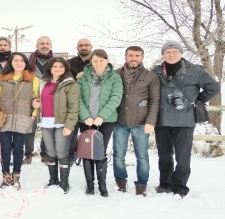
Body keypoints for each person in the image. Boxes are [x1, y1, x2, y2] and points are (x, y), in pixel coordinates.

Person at [152, 41, 220, 199]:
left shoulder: (195, 70)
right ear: (163, 54)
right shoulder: (156, 71)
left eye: (174, 51)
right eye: (167, 52)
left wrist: (197, 101)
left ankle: (180, 186)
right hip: (162, 120)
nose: (171, 54)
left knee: (182, 156)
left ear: (181, 53)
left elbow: (214, 88)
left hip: (184, 120)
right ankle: (165, 183)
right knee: (164, 155)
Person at [0, 52, 40, 188]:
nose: (19, 63)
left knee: (18, 149)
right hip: (4, 118)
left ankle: (16, 176)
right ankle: (6, 176)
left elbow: (38, 99)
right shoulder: (2, 78)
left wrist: (34, 113)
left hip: (23, 118)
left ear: (25, 63)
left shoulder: (33, 79)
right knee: (5, 148)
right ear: (11, 62)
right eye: (15, 60)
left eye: (21, 60)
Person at [113, 46, 160, 196]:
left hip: (141, 122)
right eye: (131, 55)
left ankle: (141, 184)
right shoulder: (116, 74)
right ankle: (120, 181)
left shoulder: (150, 76)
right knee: (118, 154)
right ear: (125, 57)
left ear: (142, 57)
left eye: (137, 56)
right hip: (119, 121)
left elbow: (155, 100)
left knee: (142, 156)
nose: (134, 58)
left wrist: (150, 121)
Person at [77, 49, 123, 197]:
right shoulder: (82, 78)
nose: (98, 63)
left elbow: (116, 97)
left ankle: (102, 184)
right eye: (95, 61)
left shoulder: (115, 78)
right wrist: (86, 117)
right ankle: (90, 185)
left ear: (106, 61)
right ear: (91, 61)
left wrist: (102, 116)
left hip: (106, 120)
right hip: (86, 120)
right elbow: (77, 99)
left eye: (101, 60)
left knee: (99, 152)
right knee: (86, 152)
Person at [35, 57, 79, 193]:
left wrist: (69, 125)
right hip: (46, 121)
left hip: (62, 123)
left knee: (61, 152)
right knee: (50, 152)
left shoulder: (71, 84)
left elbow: (74, 107)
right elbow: (38, 98)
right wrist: (35, 103)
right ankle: (53, 179)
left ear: (65, 68)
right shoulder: (43, 83)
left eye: (61, 66)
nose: (58, 69)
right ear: (50, 68)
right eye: (55, 66)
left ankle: (64, 182)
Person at [24, 36, 53, 164]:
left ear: (50, 46)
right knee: (30, 128)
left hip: (49, 98)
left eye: (47, 43)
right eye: (42, 43)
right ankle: (28, 154)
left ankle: (44, 153)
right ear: (37, 45)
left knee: (47, 128)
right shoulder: (28, 60)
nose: (44, 45)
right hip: (31, 98)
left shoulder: (56, 61)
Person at [66, 38, 94, 165]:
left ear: (91, 46)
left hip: (91, 104)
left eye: (86, 45)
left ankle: (87, 155)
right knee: (72, 133)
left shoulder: (97, 62)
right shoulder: (69, 64)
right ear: (77, 48)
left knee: (88, 132)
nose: (84, 47)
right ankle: (71, 156)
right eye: (81, 45)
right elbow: (64, 83)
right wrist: (75, 80)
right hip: (73, 103)